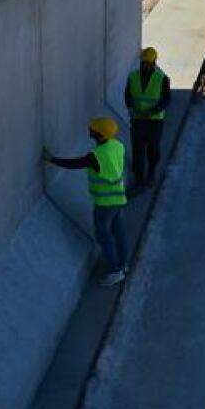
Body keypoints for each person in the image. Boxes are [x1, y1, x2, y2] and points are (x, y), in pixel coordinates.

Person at [42, 117, 129, 286]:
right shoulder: (117, 145)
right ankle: (123, 264)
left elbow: (75, 164)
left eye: (93, 129)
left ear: (100, 134)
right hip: (119, 198)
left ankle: (114, 271)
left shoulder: (96, 156)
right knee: (119, 233)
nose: (90, 130)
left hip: (105, 204)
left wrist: (51, 159)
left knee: (104, 236)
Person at [124, 47, 170, 190]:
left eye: (148, 63)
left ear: (154, 63)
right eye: (143, 63)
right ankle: (139, 179)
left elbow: (166, 99)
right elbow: (128, 95)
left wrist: (153, 111)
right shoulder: (133, 76)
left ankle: (150, 174)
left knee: (153, 149)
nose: (145, 66)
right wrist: (131, 108)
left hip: (154, 121)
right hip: (138, 120)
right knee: (138, 150)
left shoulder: (162, 79)